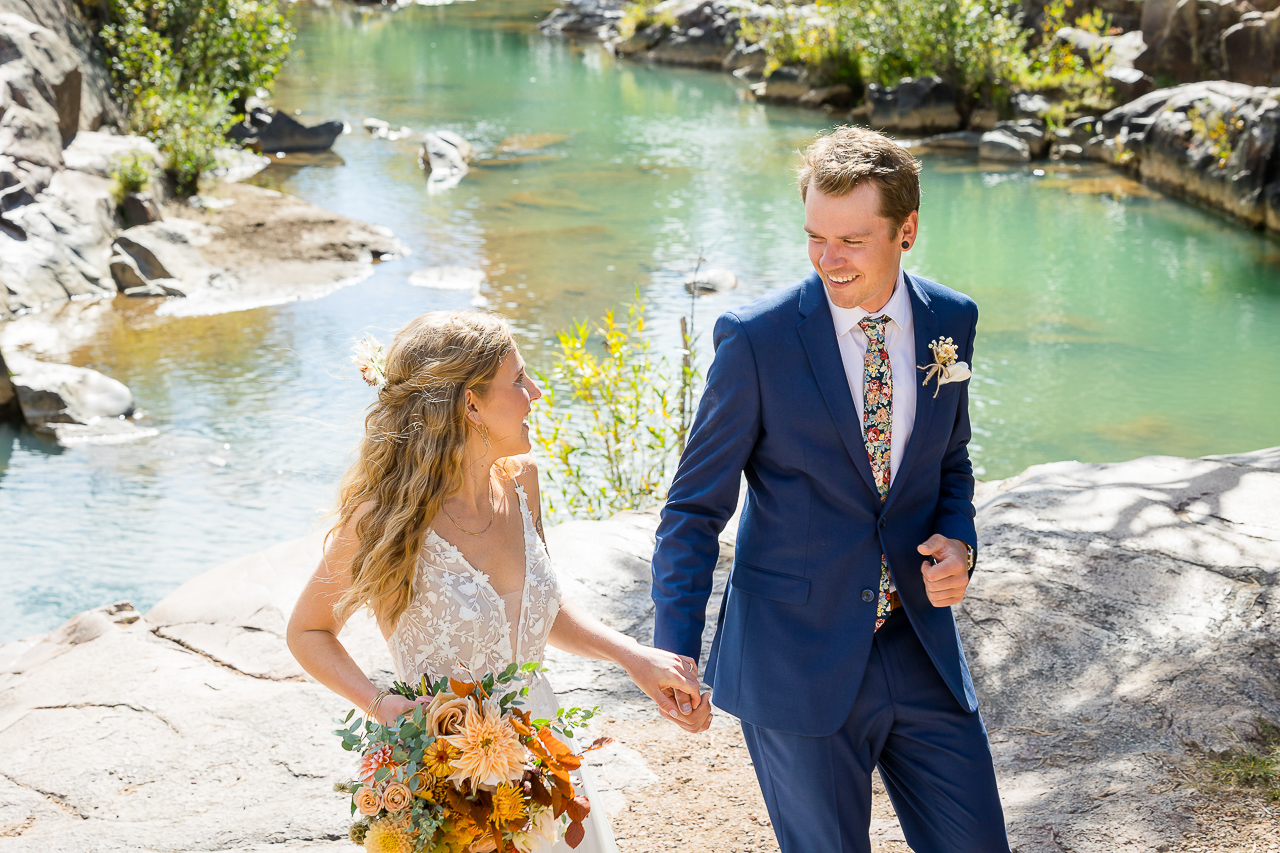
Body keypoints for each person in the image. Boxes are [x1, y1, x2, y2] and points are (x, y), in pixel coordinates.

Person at [650, 126, 1010, 852]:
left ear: (907, 229)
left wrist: (958, 538)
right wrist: (674, 649)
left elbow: (952, 462)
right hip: (793, 659)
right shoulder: (756, 340)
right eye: (815, 235)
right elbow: (693, 508)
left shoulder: (953, 321)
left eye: (851, 239)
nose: (828, 259)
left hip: (919, 647)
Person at [287, 311, 709, 852]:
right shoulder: (385, 518)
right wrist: (380, 705)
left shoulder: (520, 481)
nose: (535, 391)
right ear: (470, 405)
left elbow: (541, 608)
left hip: (544, 754)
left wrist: (633, 657)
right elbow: (308, 632)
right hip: (442, 775)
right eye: (518, 379)